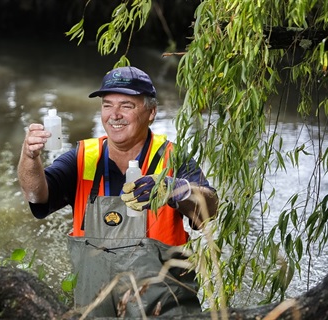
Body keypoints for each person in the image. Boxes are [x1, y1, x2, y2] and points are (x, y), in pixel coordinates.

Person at [17, 66, 218, 317]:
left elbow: (208, 212)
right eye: (107, 105)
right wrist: (29, 156)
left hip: (161, 305)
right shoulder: (82, 158)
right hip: (95, 307)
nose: (115, 115)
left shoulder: (173, 158)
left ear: (151, 112)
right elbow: (37, 195)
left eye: (127, 105)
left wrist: (176, 189)